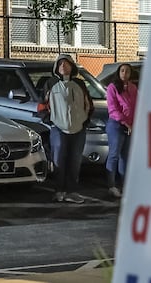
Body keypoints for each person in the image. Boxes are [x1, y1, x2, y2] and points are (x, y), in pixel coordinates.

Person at [45, 54, 93, 204]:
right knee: (59, 160)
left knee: (75, 161)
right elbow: (42, 105)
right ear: (56, 68)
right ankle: (59, 190)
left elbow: (88, 104)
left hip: (78, 129)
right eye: (60, 65)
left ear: (72, 67)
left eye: (66, 64)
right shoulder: (51, 84)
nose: (63, 67)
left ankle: (72, 191)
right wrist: (50, 120)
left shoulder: (80, 84)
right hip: (58, 128)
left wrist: (85, 121)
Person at [105, 63, 138, 198]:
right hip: (116, 125)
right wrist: (125, 122)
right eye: (122, 71)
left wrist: (133, 123)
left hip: (130, 125)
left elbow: (136, 106)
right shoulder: (112, 88)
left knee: (126, 156)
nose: (125, 73)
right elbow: (113, 109)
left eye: (127, 71)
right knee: (114, 154)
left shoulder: (133, 88)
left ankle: (125, 185)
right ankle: (111, 185)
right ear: (118, 73)